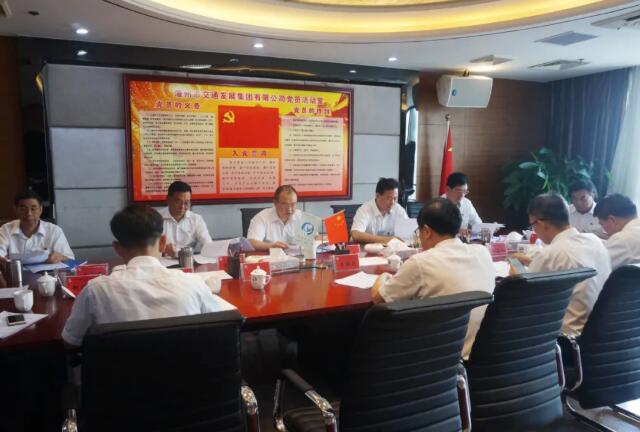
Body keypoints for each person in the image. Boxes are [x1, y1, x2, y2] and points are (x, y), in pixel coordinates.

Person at [62, 205, 233, 347]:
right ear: (163, 242)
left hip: (120, 378)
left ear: (117, 248)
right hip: (184, 376)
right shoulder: (192, 284)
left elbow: (70, 341)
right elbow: (227, 322)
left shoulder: (95, 291)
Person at [371, 197, 495, 358]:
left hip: (434, 357)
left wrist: (383, 276)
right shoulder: (483, 252)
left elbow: (378, 299)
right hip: (478, 354)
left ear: (427, 231)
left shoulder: (420, 263)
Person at [513, 193, 611, 336]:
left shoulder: (549, 254)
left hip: (564, 336)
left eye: (533, 226)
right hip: (599, 331)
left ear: (541, 224)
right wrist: (533, 262)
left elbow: (525, 299)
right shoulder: (594, 241)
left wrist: (516, 273)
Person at [0, 189, 74, 263]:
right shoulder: (5, 229)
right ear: (15, 210)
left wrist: (61, 257)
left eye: (33, 209)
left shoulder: (54, 231)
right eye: (23, 209)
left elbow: (70, 259)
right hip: (16, 270)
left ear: (41, 210)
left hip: (48, 270)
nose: (29, 213)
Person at [159, 181, 212, 257]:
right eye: (178, 202)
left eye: (186, 203)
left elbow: (208, 245)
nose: (182, 207)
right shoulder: (156, 218)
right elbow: (149, 248)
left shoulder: (196, 220)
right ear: (168, 199)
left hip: (188, 261)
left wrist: (176, 253)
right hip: (162, 263)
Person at [351, 178, 408, 244]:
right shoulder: (365, 209)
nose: (392, 202)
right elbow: (356, 234)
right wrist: (388, 240)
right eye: (388, 198)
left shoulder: (398, 209)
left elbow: (409, 232)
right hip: (366, 249)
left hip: (391, 249)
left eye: (395, 198)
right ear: (377, 196)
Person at [247, 185, 302, 251]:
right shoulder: (262, 217)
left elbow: (312, 240)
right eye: (285, 204)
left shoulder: (302, 217)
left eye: (293, 204)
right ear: (275, 203)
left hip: (297, 256)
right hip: (269, 256)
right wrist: (271, 246)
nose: (289, 209)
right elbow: (252, 242)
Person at [594, 193, 640, 270]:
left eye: (602, 224)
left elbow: (596, 265)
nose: (603, 229)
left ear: (612, 220)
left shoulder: (623, 238)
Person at [441, 172, 481, 236]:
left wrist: (488, 227)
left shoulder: (467, 203)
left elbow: (477, 224)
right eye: (458, 191)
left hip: (463, 241)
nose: (462, 195)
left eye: (465, 191)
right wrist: (457, 231)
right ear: (447, 189)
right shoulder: (438, 205)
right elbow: (436, 230)